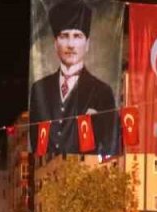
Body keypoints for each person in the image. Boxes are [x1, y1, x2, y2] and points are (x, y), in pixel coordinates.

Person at [26, 0, 117, 156]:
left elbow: (109, 142)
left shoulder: (102, 91)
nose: (71, 44)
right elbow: (36, 142)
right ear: (56, 43)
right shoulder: (39, 89)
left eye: (77, 36)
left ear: (87, 44)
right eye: (64, 36)